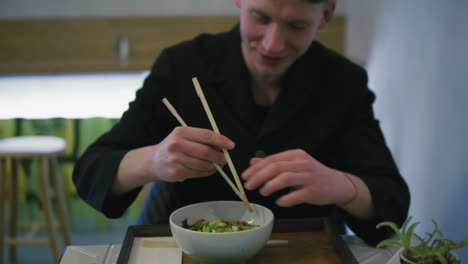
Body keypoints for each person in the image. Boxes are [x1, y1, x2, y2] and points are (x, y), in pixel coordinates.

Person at [73, 0, 410, 245]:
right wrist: (154, 160)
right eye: (260, 17)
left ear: (326, 14)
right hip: (196, 249)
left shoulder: (343, 81)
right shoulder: (183, 65)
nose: (272, 44)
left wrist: (341, 185)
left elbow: (391, 202)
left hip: (301, 251)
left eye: (296, 26)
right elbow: (91, 170)